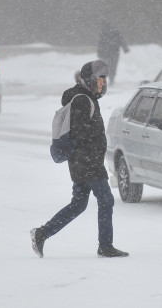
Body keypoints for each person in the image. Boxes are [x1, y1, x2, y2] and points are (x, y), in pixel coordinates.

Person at [31, 60, 129, 259]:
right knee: (106, 200)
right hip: (88, 162)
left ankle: (42, 233)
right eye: (99, 80)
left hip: (83, 162)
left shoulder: (85, 98)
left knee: (79, 204)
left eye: (104, 81)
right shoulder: (82, 100)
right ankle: (105, 246)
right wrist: (94, 149)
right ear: (90, 80)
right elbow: (81, 132)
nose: (102, 84)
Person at [96, 20, 129, 85]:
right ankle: (111, 79)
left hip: (105, 53)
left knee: (105, 67)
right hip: (114, 53)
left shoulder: (102, 33)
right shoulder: (115, 32)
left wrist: (99, 53)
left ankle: (104, 80)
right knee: (113, 67)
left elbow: (100, 44)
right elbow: (121, 40)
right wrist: (125, 48)